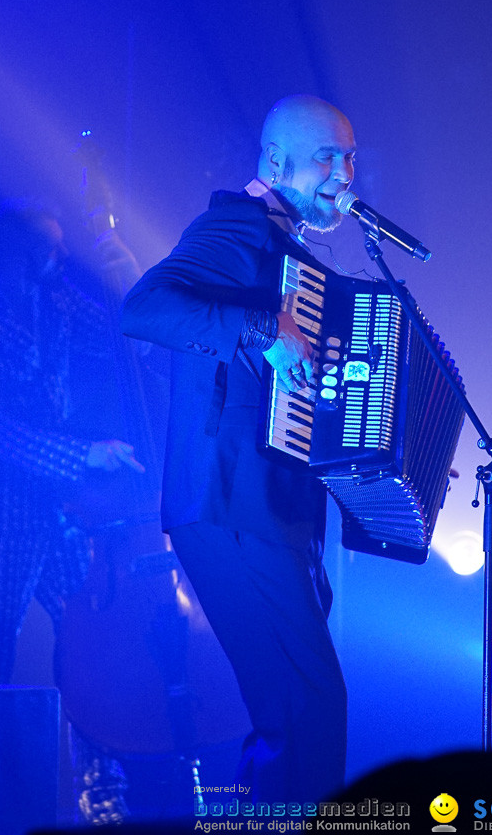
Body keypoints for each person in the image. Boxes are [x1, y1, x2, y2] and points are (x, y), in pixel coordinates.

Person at [121, 94, 356, 805]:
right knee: (310, 711)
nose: (345, 174)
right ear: (275, 161)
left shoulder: (286, 247)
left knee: (289, 718)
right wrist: (263, 327)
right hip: (229, 502)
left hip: (266, 508)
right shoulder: (237, 221)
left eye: (350, 159)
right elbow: (145, 306)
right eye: (328, 157)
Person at [0, 202, 144, 823]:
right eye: (51, 249)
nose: (62, 259)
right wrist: (84, 452)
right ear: (16, 258)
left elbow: (121, 336)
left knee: (88, 640)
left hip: (57, 509)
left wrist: (128, 281)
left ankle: (103, 792)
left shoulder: (57, 307)